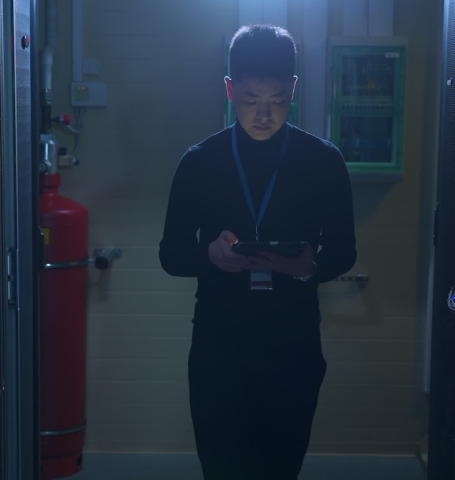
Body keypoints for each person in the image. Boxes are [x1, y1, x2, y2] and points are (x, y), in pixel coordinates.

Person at [159, 24, 357, 480]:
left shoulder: (324, 161)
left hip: (293, 341)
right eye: (250, 100)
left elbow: (344, 250)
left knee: (279, 468)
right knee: (222, 467)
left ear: (293, 89)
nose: (264, 115)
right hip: (219, 343)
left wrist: (309, 266)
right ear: (230, 89)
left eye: (277, 101)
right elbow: (171, 254)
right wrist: (210, 255)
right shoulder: (200, 162)